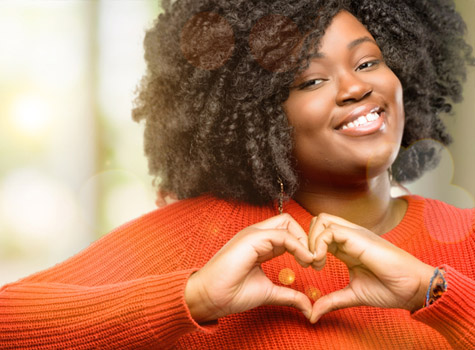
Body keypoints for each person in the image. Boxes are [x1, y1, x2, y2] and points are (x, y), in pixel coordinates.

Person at [1, 0, 474, 348]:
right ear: (258, 116)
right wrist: (193, 298)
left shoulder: (465, 239)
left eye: (368, 62)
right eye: (311, 80)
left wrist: (429, 290)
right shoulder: (208, 236)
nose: (355, 87)